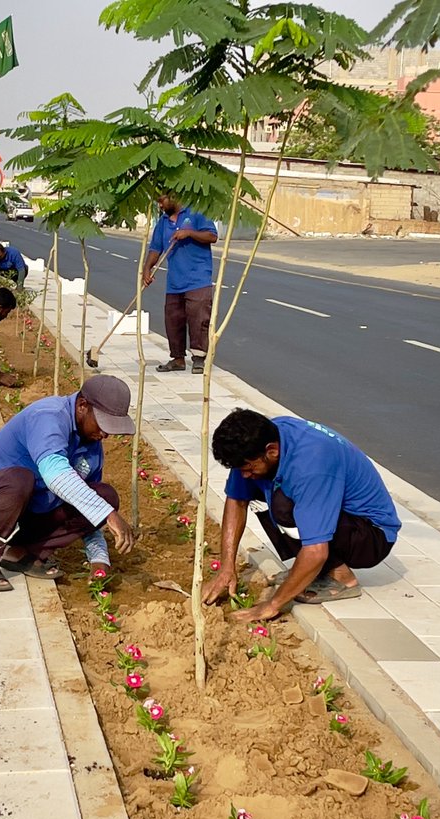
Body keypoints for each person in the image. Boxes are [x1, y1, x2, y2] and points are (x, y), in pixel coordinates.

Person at [202, 409, 400, 622]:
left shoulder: (311, 463)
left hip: (371, 534)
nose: (244, 474)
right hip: (340, 516)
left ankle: (342, 577)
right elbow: (236, 499)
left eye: (248, 467)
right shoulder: (264, 438)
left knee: (283, 507)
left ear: (272, 451)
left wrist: (272, 604)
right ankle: (310, 572)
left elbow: (316, 551)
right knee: (264, 490)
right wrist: (226, 567)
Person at [0, 375, 138, 593]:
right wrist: (108, 514)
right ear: (82, 406)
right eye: (103, 423)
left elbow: (88, 508)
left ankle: (21, 554)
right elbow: (55, 474)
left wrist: (99, 561)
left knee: (104, 496)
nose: (105, 434)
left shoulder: (92, 446)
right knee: (19, 480)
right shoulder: (49, 416)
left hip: (21, 519)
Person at [142, 192, 218, 374]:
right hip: (175, 280)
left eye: (162, 201)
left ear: (173, 196)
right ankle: (177, 359)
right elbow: (155, 248)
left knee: (198, 318)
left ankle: (199, 358)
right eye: (158, 202)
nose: (160, 205)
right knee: (173, 320)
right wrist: (147, 269)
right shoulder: (162, 223)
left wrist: (189, 233)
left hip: (198, 278)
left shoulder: (196, 212)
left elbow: (212, 236)